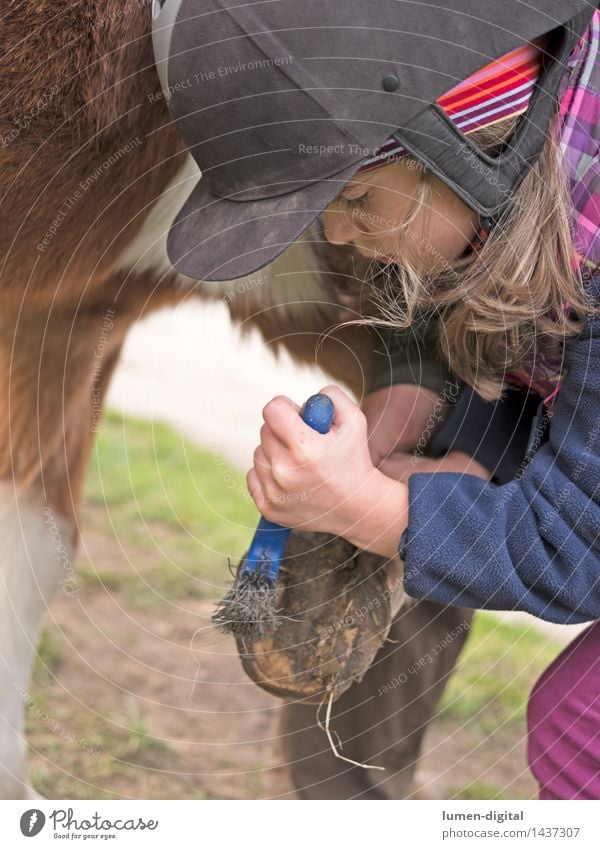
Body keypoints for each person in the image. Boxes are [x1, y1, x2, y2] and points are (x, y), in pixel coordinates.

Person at [155, 0, 600, 798]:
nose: (334, 237)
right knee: (428, 495)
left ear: (474, 151)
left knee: (580, 733)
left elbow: (579, 551)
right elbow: (450, 268)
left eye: (357, 201)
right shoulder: (521, 166)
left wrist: (365, 505)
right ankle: (343, 806)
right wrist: (413, 400)